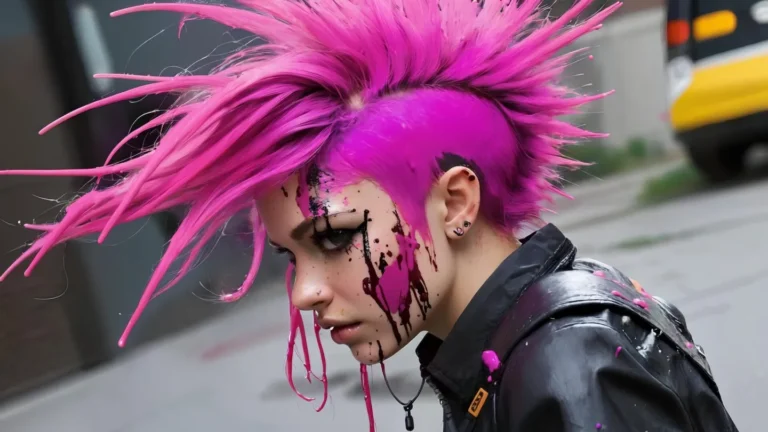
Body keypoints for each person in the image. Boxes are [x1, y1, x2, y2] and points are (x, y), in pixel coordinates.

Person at [0, 0, 739, 431]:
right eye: (294, 255)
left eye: (333, 238)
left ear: (455, 201)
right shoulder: (519, 344)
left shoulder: (563, 371)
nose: (305, 292)